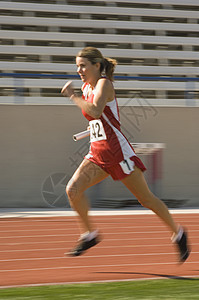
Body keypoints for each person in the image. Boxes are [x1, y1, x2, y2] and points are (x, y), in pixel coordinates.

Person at [61, 46, 190, 262]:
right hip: (98, 153)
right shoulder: (86, 87)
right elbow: (97, 120)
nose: (79, 70)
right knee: (73, 190)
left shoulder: (104, 84)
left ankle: (178, 233)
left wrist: (73, 96)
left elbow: (94, 111)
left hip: (118, 154)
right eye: (77, 66)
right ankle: (89, 235)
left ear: (97, 66)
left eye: (83, 65)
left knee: (146, 199)